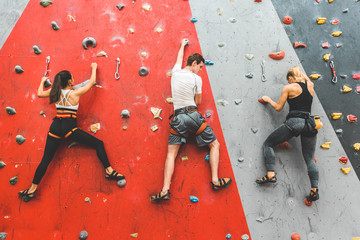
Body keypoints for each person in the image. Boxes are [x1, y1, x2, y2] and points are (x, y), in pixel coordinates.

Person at [18, 63, 125, 202]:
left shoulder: (54, 92)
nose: (74, 79)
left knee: (46, 159)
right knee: (98, 144)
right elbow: (92, 82)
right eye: (72, 78)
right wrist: (93, 68)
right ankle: (109, 171)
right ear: (69, 81)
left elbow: (39, 93)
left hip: (55, 127)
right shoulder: (75, 92)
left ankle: (32, 189)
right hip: (69, 128)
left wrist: (42, 82)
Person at [150, 39, 232, 202]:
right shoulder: (196, 79)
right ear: (194, 63)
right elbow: (198, 102)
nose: (201, 70)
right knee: (214, 145)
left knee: (171, 155)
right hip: (193, 115)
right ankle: (215, 181)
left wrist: (182, 45)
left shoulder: (175, 72)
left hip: (178, 118)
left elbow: (179, 59)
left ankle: (165, 190)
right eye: (200, 67)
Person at [256, 66, 319, 206]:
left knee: (268, 144)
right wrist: (300, 72)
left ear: (291, 78)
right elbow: (307, 80)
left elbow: (278, 108)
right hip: (310, 124)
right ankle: (314, 189)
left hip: (295, 122)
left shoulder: (288, 88)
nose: (288, 81)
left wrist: (268, 99)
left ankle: (270, 174)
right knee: (309, 158)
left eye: (288, 79)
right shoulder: (310, 85)